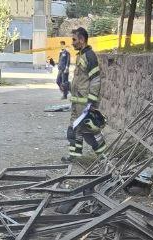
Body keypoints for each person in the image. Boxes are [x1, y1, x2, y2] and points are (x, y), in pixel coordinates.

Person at [64, 27, 106, 162]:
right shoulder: (81, 55)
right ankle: (74, 156)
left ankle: (104, 157)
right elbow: (81, 79)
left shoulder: (90, 56)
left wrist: (91, 101)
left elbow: (96, 79)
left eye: (74, 40)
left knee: (90, 131)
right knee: (75, 129)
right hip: (77, 102)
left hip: (85, 103)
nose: (72, 43)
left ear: (82, 40)